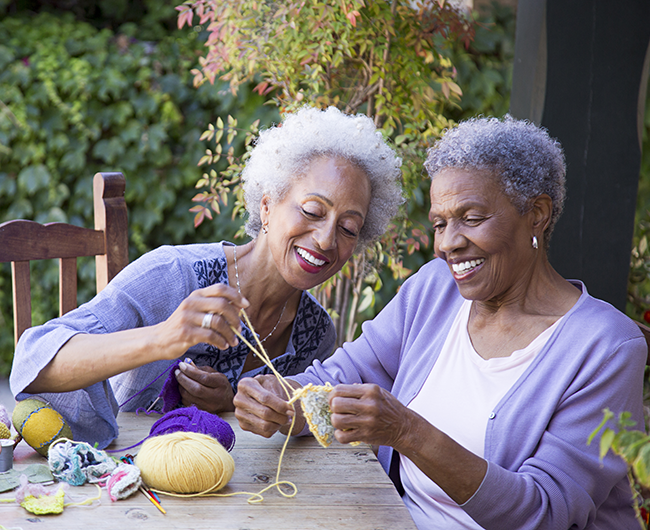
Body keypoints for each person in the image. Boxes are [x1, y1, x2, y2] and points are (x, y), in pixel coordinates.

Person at [233, 115, 647, 529]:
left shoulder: (605, 347)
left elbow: (543, 512)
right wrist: (283, 401)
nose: (449, 243)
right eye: (440, 223)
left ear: (536, 214)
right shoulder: (436, 289)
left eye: (471, 217)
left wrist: (408, 432)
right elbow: (339, 377)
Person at [9, 106, 403, 448]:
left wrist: (231, 400)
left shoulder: (316, 333)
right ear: (267, 206)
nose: (326, 238)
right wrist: (165, 337)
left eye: (349, 227)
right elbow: (32, 362)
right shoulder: (173, 276)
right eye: (313, 211)